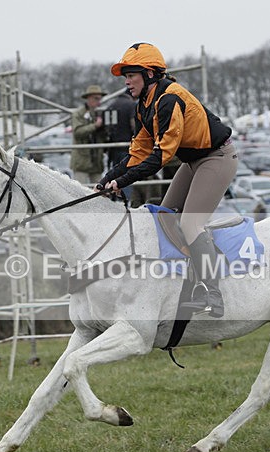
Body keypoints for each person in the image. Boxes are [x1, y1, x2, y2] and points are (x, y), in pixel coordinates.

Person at [98, 43, 237, 317]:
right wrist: (108, 178)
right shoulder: (144, 106)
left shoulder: (169, 99)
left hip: (217, 158)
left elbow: (160, 156)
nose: (126, 82)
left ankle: (213, 294)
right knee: (165, 216)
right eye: (125, 76)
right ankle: (185, 282)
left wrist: (123, 181)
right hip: (194, 161)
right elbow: (138, 153)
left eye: (131, 75)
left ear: (150, 74)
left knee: (190, 223)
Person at [70, 84, 108, 184]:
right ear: (89, 98)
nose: (99, 102)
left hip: (96, 161)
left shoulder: (100, 113)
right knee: (79, 190)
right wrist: (95, 126)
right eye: (96, 98)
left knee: (99, 190)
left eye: (100, 99)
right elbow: (77, 132)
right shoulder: (78, 114)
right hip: (81, 161)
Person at [103, 90, 137, 199]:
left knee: (115, 173)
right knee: (126, 175)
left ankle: (113, 198)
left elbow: (106, 128)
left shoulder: (111, 105)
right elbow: (134, 125)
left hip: (113, 148)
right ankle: (125, 199)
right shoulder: (131, 105)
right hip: (127, 146)